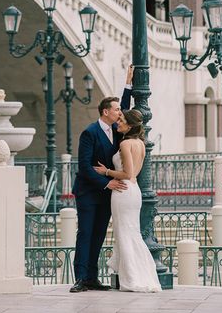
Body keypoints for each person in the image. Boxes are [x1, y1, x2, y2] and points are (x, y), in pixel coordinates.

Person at [69, 65, 133, 293]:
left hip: (107, 193)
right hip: (88, 192)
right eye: (115, 110)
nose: (119, 113)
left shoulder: (116, 131)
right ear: (106, 112)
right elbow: (85, 167)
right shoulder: (89, 132)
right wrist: (107, 182)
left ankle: (92, 278)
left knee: (98, 236)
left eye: (118, 110)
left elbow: (126, 108)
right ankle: (80, 278)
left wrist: (128, 84)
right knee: (85, 233)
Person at [94, 109, 161, 292]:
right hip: (134, 191)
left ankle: (131, 279)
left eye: (121, 120)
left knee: (124, 234)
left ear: (130, 125)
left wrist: (106, 172)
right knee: (132, 234)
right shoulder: (140, 143)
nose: (118, 122)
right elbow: (134, 174)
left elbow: (128, 173)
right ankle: (140, 275)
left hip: (123, 191)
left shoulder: (125, 144)